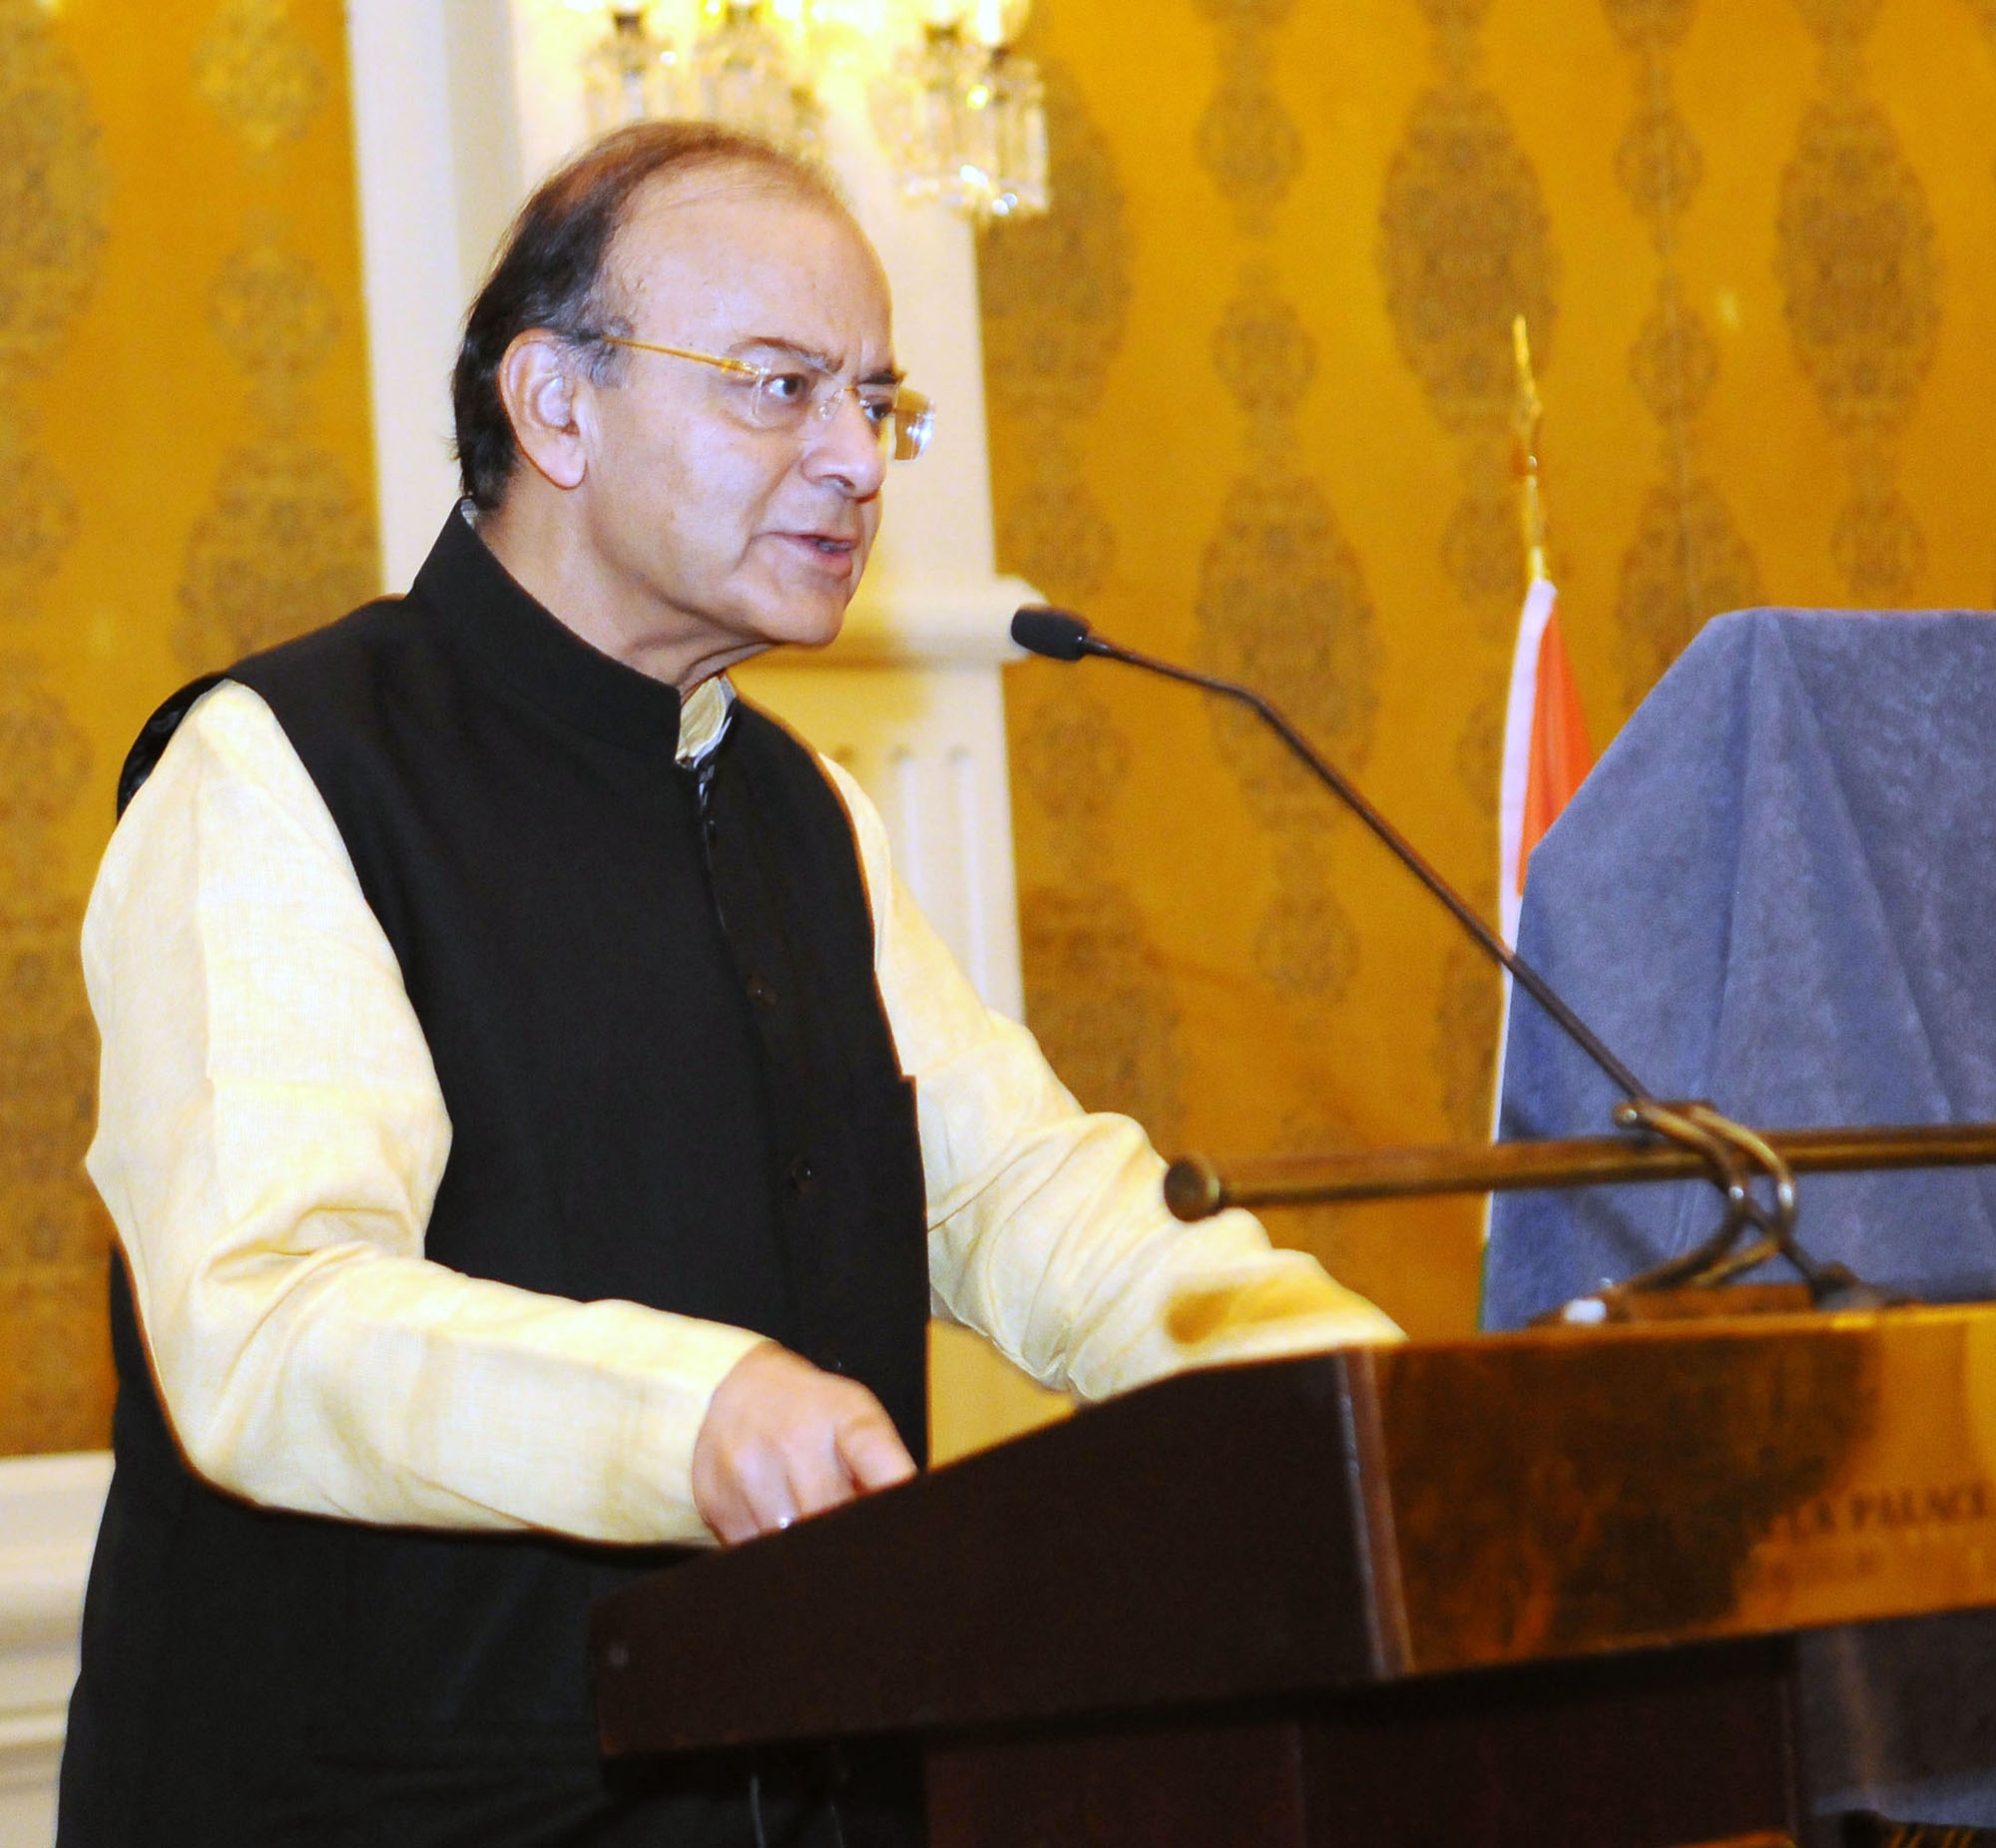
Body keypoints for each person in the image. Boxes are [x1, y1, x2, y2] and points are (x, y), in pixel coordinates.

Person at [58, 122, 1400, 1847]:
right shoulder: (281, 766)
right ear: (555, 407)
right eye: (780, 387)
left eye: (878, 401)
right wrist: (689, 1415)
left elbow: (1030, 1200)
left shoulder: (800, 807)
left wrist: (1349, 1392)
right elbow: (269, 1322)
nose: (855, 459)